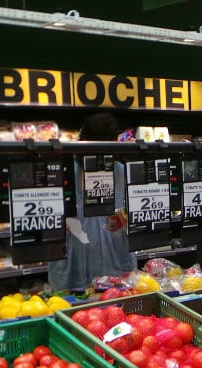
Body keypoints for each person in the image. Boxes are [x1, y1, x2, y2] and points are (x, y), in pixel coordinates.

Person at [47, 112, 137, 291]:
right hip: (72, 272)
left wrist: (130, 222)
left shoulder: (123, 174)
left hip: (116, 269)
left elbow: (139, 219)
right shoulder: (62, 174)